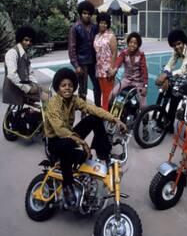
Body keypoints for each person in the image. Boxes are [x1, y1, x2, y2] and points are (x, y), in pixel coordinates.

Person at [43, 68, 127, 208]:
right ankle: (67, 186)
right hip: (55, 141)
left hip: (69, 136)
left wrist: (115, 119)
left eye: (70, 85)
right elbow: (59, 129)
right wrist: (81, 142)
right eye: (64, 85)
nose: (67, 88)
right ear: (58, 88)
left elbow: (92, 109)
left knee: (94, 118)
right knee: (69, 149)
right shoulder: (53, 104)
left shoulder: (74, 100)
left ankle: (103, 154)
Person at [68, 1, 101, 107]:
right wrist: (76, 65)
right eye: (84, 13)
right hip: (81, 63)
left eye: (89, 14)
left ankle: (97, 110)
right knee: (82, 90)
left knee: (97, 86)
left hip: (94, 62)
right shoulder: (75, 28)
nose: (87, 16)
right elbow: (72, 48)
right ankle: (83, 113)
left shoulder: (95, 27)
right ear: (80, 13)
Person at [2, 25, 43, 105]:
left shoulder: (24, 54)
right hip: (15, 91)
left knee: (48, 92)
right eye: (26, 40)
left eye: (30, 41)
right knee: (47, 97)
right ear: (20, 39)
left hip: (23, 88)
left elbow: (30, 73)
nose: (28, 43)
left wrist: (35, 85)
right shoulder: (12, 53)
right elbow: (12, 75)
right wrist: (28, 89)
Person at [109, 32, 148, 108]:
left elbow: (144, 71)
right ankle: (111, 113)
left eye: (135, 43)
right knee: (113, 94)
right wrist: (114, 69)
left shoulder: (141, 55)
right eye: (131, 42)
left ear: (138, 45)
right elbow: (118, 61)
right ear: (128, 43)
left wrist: (145, 86)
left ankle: (143, 118)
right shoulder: (124, 53)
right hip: (126, 80)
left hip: (138, 81)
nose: (132, 45)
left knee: (143, 106)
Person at [93, 12, 118, 111]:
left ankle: (107, 115)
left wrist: (111, 69)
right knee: (103, 93)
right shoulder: (97, 36)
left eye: (105, 23)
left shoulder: (111, 36)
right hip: (99, 69)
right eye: (101, 22)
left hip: (108, 70)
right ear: (98, 23)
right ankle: (105, 114)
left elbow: (115, 53)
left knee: (108, 94)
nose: (103, 25)